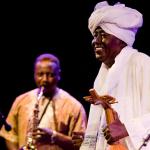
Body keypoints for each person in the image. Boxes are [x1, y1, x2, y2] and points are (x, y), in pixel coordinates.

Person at [80, 1, 150, 150]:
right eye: (95, 35)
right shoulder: (102, 76)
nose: (96, 41)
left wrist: (127, 129)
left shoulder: (142, 63)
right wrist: (89, 142)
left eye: (103, 35)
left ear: (121, 39)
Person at [0, 53, 87, 150]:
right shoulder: (21, 100)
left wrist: (54, 136)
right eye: (40, 74)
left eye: (51, 75)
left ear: (59, 75)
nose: (45, 80)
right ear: (34, 74)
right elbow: (10, 135)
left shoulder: (74, 106)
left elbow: (82, 144)